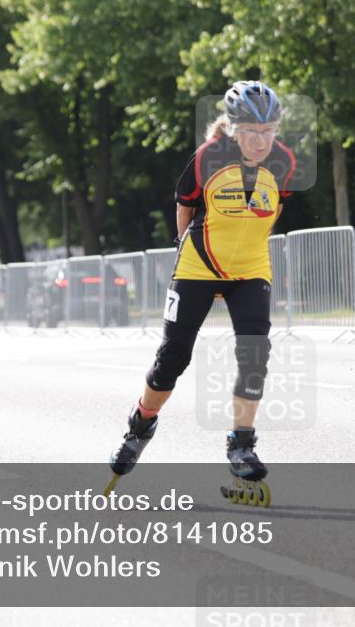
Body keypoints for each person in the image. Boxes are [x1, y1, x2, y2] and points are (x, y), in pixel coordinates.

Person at [109, 80, 296, 484]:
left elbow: (274, 208)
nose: (261, 141)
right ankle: (140, 426)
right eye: (251, 131)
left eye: (268, 131)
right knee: (173, 357)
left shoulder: (284, 162)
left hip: (250, 269)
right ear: (232, 128)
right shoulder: (207, 158)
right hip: (198, 264)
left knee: (255, 355)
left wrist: (248, 249)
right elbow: (185, 206)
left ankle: (242, 443)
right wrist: (186, 252)